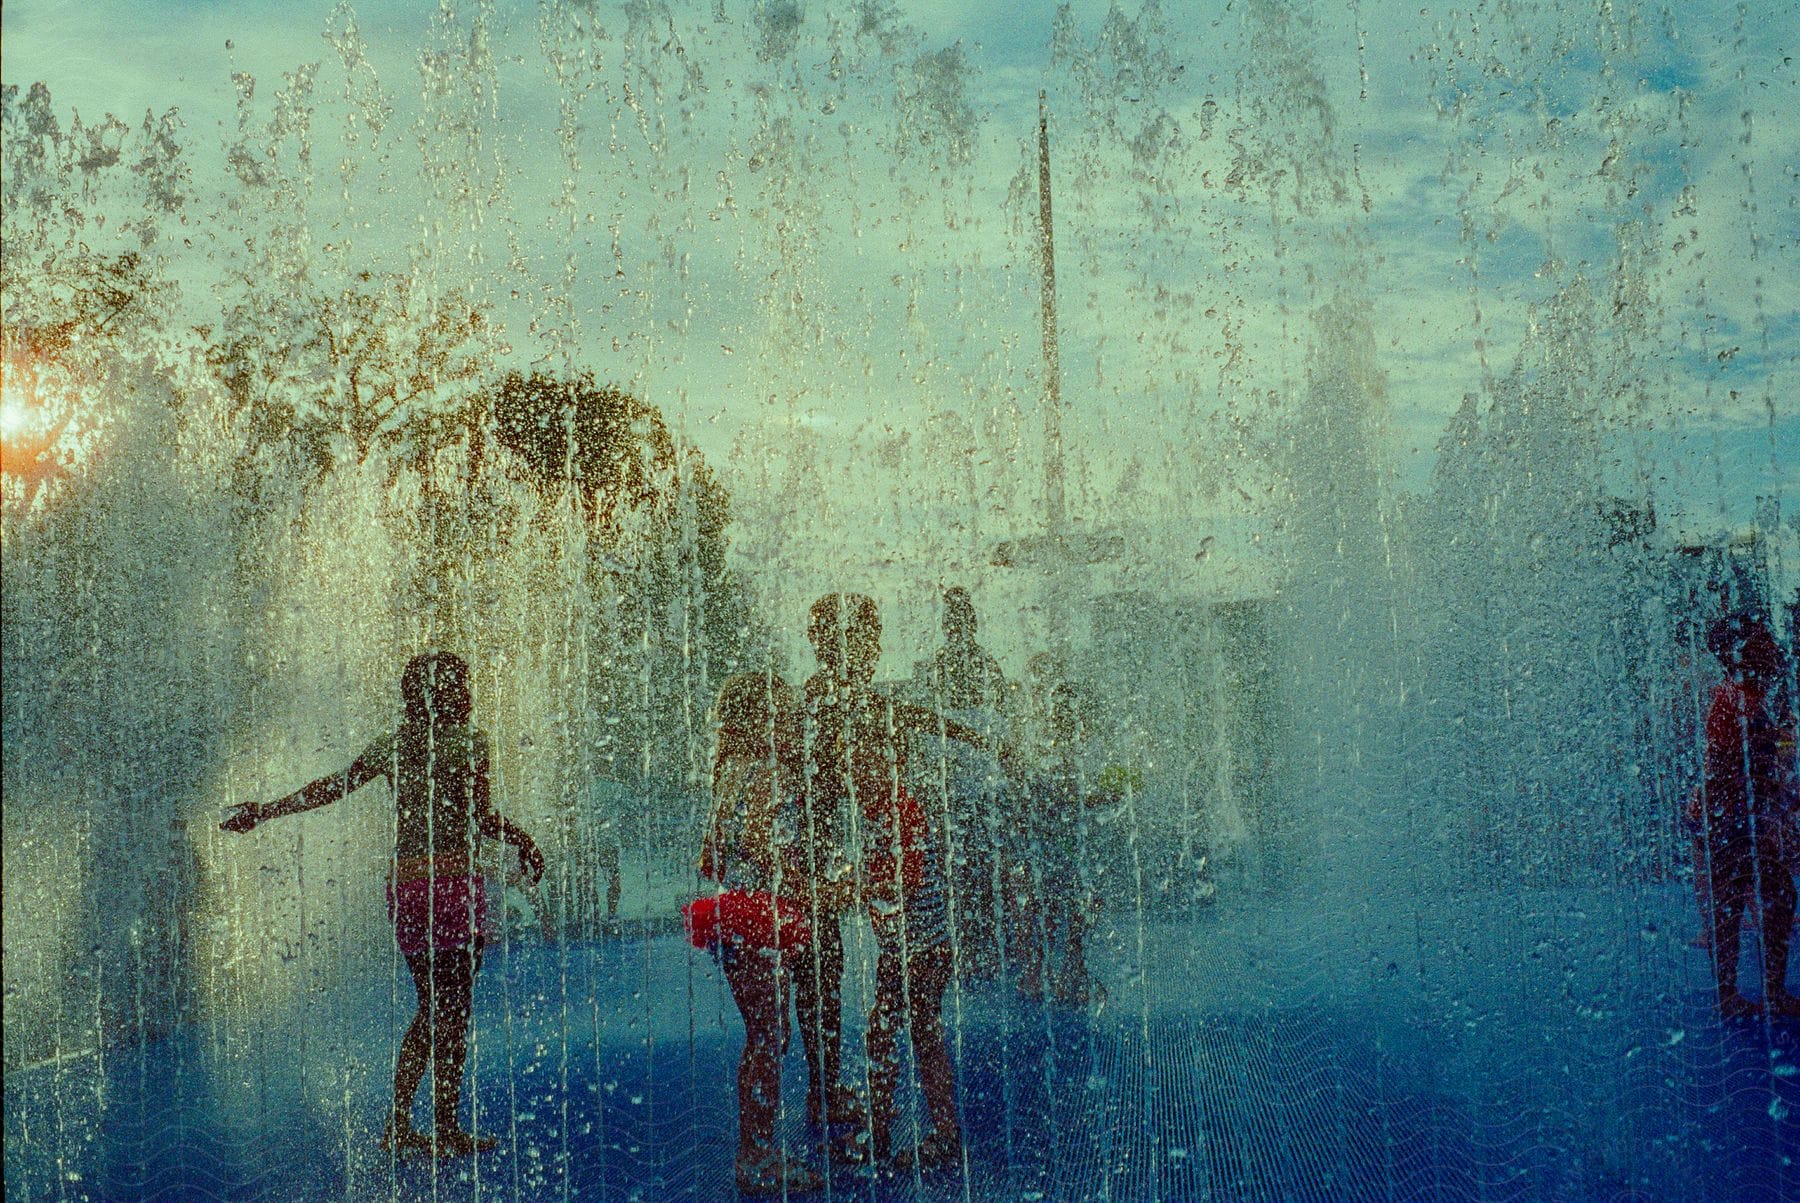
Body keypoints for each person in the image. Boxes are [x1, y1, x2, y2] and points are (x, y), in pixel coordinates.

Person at [221, 652, 544, 1157]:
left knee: (432, 1009)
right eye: (464, 686)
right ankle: (445, 1127)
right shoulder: (471, 744)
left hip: (409, 889)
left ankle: (399, 1126)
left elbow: (334, 786)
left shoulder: (393, 746)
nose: (471, 694)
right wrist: (523, 841)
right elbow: (480, 820)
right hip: (454, 885)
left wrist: (267, 811)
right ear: (451, 694)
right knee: (452, 1013)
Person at [804, 592, 987, 1169]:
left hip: (916, 945)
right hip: (900, 937)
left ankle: (901, 1131)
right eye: (860, 636)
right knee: (885, 1025)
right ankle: (866, 1115)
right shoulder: (818, 706)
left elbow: (903, 870)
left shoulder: (898, 805)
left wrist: (848, 886)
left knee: (897, 1032)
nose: (871, 649)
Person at [682, 672, 830, 1194]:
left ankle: (757, 1149)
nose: (797, 723)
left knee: (769, 1035)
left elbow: (710, 856)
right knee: (770, 1037)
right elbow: (762, 844)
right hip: (758, 916)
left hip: (732, 914)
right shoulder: (771, 773)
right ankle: (756, 1155)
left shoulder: (732, 773)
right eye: (787, 714)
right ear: (763, 721)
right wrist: (802, 880)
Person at [1697, 616, 1799, 1018]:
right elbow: (1741, 770)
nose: (1774, 650)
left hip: (1732, 817)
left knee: (1735, 903)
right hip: (1735, 820)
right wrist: (1781, 796)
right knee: (1771, 899)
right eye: (1764, 643)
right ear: (1743, 655)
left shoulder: (1741, 696)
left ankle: (1733, 995)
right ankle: (1768, 995)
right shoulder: (1740, 701)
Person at [917, 586, 1011, 975]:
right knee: (977, 868)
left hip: (962, 779)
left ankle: (967, 944)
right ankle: (979, 944)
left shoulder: (949, 664)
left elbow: (928, 725)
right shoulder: (985, 664)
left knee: (963, 869)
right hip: (971, 779)